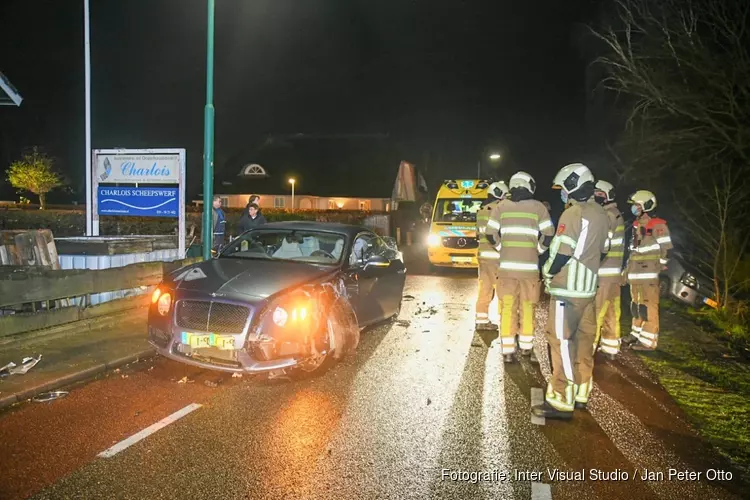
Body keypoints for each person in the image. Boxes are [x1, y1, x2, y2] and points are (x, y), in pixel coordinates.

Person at [532, 163, 609, 420]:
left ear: (573, 185)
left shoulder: (572, 214)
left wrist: (548, 273)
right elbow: (605, 249)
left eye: (563, 188)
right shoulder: (602, 214)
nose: (562, 193)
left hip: (567, 291)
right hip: (589, 291)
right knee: (584, 342)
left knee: (561, 342)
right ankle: (581, 393)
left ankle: (561, 399)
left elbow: (562, 252)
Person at [485, 171, 555, 362]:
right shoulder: (539, 208)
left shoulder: (501, 207)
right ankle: (526, 348)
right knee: (527, 308)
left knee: (507, 308)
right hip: (529, 271)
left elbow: (490, 234)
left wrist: (502, 249)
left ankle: (507, 352)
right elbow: (549, 234)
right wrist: (538, 250)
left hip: (506, 270)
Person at [622, 190, 672, 351]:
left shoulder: (658, 225)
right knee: (636, 306)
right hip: (636, 276)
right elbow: (634, 252)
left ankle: (648, 341)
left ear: (645, 206)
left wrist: (659, 266)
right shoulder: (637, 225)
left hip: (648, 276)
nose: (634, 208)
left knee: (649, 307)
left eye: (637, 205)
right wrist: (626, 272)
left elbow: (667, 249)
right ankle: (636, 334)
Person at [593, 180, 626, 360]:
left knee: (595, 312)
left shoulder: (607, 216)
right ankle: (611, 347)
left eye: (598, 193)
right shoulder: (617, 214)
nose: (595, 196)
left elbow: (602, 245)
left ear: (605, 195)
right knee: (612, 312)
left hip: (603, 274)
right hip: (614, 274)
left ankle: (587, 350)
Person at [474, 181, 509, 330]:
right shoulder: (500, 210)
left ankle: (481, 321)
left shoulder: (481, 211)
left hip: (483, 257)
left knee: (485, 290)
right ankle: (507, 323)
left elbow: (478, 235)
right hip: (497, 257)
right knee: (504, 291)